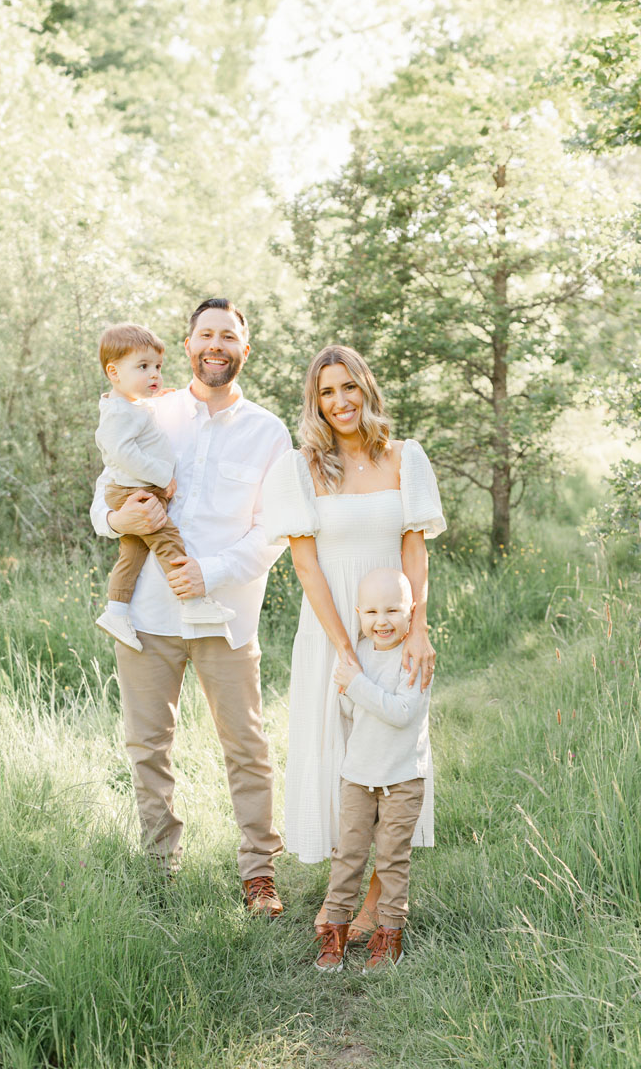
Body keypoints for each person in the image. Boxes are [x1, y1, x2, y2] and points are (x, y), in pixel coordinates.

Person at [91, 299, 291, 915]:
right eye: (206, 334)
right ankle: (159, 870)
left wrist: (211, 570)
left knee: (247, 745)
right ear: (187, 345)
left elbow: (275, 532)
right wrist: (116, 517)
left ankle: (259, 872)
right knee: (147, 746)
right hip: (147, 615)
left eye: (228, 336)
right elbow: (103, 500)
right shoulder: (147, 411)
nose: (216, 344)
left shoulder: (268, 432)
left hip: (225, 615)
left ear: (243, 350)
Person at [262, 344, 445, 938]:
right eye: (326, 392)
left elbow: (413, 551)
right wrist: (344, 648)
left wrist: (416, 629)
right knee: (337, 753)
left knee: (389, 749)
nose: (339, 402)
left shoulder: (405, 458)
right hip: (331, 630)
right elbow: (307, 568)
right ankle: (339, 896)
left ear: (366, 389)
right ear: (315, 402)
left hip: (394, 631)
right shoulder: (301, 468)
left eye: (349, 388)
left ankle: (374, 902)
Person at [314, 567, 430, 974]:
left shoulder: (414, 657)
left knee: (392, 859)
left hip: (401, 779)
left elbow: (402, 712)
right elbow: (349, 707)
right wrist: (354, 685)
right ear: (359, 613)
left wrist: (358, 685)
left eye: (393, 610)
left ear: (411, 611)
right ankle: (336, 933)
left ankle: (389, 936)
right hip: (358, 777)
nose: (382, 621)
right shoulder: (358, 653)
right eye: (373, 612)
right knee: (347, 856)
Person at [94, 322, 235, 652]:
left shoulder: (132, 406)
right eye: (143, 367)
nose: (154, 374)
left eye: (157, 366)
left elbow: (140, 424)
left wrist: (156, 398)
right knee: (168, 540)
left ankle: (115, 611)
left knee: (132, 555)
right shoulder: (117, 414)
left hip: (135, 490)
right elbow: (123, 452)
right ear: (113, 373)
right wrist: (163, 476)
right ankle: (192, 601)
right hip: (136, 493)